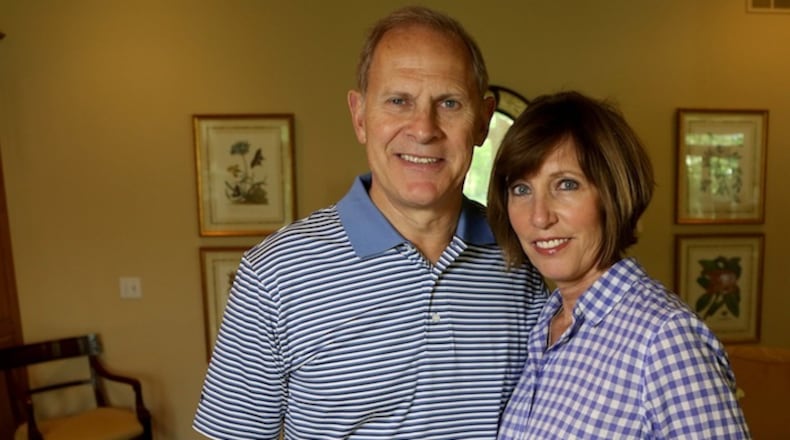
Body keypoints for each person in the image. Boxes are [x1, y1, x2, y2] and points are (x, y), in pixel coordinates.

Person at [193, 6, 548, 439]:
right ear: (360, 116)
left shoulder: (521, 256)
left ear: (483, 120)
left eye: (449, 103)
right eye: (399, 101)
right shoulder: (273, 274)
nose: (424, 129)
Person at [488, 91, 751, 439]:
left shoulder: (664, 339)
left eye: (566, 185)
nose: (539, 217)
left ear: (612, 194)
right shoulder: (544, 323)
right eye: (521, 189)